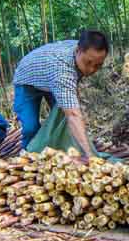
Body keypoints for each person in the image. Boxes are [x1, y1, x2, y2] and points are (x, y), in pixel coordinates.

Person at [12, 30, 109, 158]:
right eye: (88, 63)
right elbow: (73, 115)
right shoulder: (62, 71)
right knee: (31, 127)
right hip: (27, 78)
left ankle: (63, 152)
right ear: (78, 50)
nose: (91, 69)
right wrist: (90, 155)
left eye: (98, 65)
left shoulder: (83, 48)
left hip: (50, 75)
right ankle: (27, 158)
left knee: (63, 120)